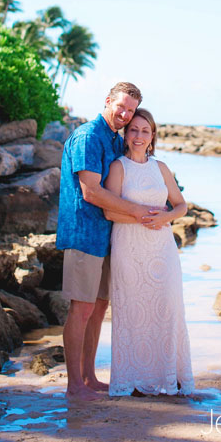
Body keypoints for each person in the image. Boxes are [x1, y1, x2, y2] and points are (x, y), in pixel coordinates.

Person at [56, 82, 160, 401]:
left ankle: (89, 377)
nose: (125, 114)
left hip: (107, 236)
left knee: (99, 308)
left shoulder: (115, 139)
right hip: (83, 234)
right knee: (82, 309)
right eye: (122, 107)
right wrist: (138, 210)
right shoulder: (89, 136)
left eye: (130, 110)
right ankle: (74, 384)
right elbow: (91, 191)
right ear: (108, 101)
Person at [104, 108, 195, 396]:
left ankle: (170, 377)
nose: (139, 135)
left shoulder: (161, 168)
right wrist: (144, 218)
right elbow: (109, 211)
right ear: (126, 134)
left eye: (145, 130)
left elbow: (181, 205)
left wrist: (164, 219)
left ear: (152, 135)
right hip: (129, 249)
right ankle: (133, 380)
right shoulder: (118, 167)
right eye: (134, 130)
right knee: (132, 312)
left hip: (162, 250)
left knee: (167, 309)